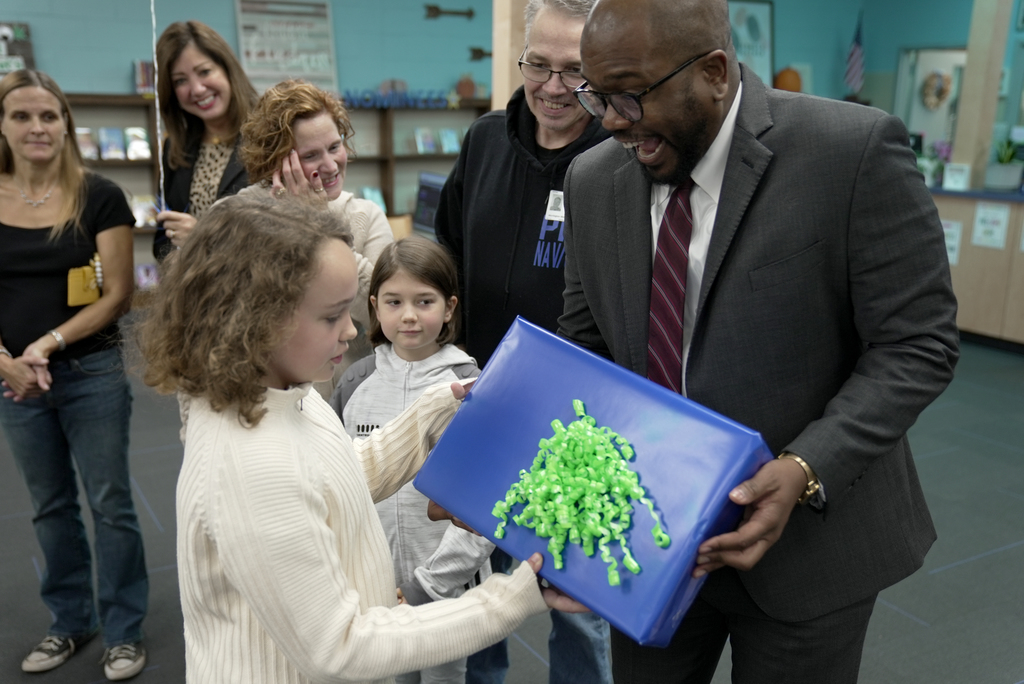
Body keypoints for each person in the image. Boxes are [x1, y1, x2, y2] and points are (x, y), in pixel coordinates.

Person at [558, 0, 961, 682]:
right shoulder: (593, 180)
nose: (611, 120)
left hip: (809, 552)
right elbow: (585, 347)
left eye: (630, 94)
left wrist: (804, 469)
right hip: (650, 542)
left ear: (715, 71)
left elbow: (917, 344)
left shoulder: (850, 152)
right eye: (594, 94)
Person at [138, 194, 584, 683]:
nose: (352, 330)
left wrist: (437, 406)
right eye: (331, 316)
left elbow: (340, 475)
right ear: (252, 320)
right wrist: (516, 596)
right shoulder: (251, 463)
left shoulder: (286, 393)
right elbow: (342, 647)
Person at [433, 1, 612, 682]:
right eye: (539, 64)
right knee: (479, 583)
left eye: (575, 70)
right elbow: (446, 246)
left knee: (576, 605)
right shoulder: (485, 139)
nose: (554, 86)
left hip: (579, 421)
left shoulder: (622, 158)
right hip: (485, 403)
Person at [0, 69, 148, 681]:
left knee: (111, 503)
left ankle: (123, 631)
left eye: (48, 115)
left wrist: (45, 343)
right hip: (15, 380)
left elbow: (116, 295)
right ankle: (70, 621)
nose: (37, 127)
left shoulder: (100, 195)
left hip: (91, 372)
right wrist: (8, 362)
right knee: (49, 506)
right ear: (2, 126)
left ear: (65, 124)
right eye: (22, 116)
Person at [331, 236, 492, 684]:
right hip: (375, 587)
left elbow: (482, 509)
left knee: (446, 676)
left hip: (446, 586)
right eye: (394, 301)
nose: (408, 315)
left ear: (449, 308)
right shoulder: (353, 382)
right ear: (373, 306)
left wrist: (430, 584)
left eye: (424, 301)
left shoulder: (470, 385)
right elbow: (341, 487)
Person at [239, 79, 394, 391]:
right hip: (257, 404)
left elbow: (385, 316)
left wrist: (318, 222)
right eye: (310, 155)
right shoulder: (237, 216)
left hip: (344, 401)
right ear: (276, 159)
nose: (330, 164)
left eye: (335, 147)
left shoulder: (365, 216)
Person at [152, 20, 257, 259]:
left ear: (227, 69)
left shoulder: (271, 136)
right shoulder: (175, 148)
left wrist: (203, 238)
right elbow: (161, 243)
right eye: (180, 80)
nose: (197, 89)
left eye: (204, 71)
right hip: (197, 293)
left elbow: (293, 236)